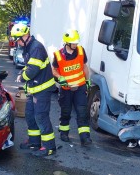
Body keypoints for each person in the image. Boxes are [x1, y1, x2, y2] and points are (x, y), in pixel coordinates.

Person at [11, 23, 57, 156]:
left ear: (25, 36)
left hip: (42, 90)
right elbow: (28, 66)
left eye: (18, 39)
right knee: (31, 116)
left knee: (41, 117)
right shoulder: (29, 47)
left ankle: (49, 147)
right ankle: (34, 142)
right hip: (34, 89)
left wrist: (22, 77)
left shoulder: (36, 48)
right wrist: (22, 73)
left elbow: (31, 71)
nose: (17, 43)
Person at [51, 29, 92, 146]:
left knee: (82, 112)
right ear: (67, 43)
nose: (75, 45)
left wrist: (87, 81)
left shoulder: (80, 50)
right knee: (66, 112)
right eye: (73, 43)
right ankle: (64, 133)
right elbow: (53, 70)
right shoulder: (58, 55)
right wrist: (60, 78)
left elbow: (84, 67)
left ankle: (85, 137)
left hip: (80, 87)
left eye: (76, 42)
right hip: (66, 90)